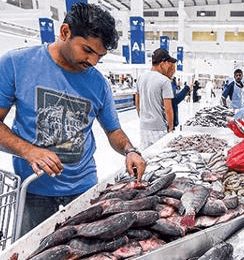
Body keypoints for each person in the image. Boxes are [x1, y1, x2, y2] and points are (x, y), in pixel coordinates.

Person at [0, 3, 146, 236]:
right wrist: (29, 151)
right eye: (87, 50)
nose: (93, 61)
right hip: (34, 189)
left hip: (84, 187)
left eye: (100, 55)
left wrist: (130, 150)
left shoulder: (98, 83)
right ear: (65, 32)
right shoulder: (16, 64)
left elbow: (113, 131)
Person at [135, 48, 176, 150]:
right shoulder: (165, 81)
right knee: (160, 158)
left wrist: (142, 117)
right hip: (158, 127)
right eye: (167, 63)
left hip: (144, 127)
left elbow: (137, 101)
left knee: (146, 156)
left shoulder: (141, 77)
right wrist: (170, 128)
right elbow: (168, 109)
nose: (168, 66)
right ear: (162, 63)